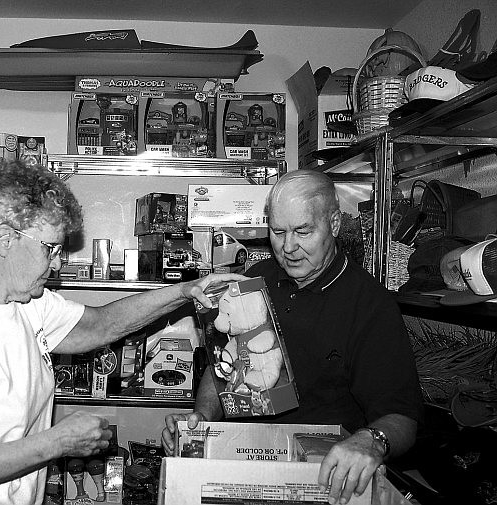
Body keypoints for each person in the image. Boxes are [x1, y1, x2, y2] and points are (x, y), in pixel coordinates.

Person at [0, 160, 244, 505]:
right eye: (50, 249)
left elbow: (101, 324)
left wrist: (186, 290)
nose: (58, 263)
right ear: (5, 239)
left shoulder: (26, 301)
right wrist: (57, 441)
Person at [162, 170, 424, 505]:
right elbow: (221, 370)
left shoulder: (371, 306)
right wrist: (202, 421)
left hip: (322, 482)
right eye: (277, 231)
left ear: (334, 224)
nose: (288, 247)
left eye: (303, 231)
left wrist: (371, 441)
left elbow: (402, 418)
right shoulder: (254, 281)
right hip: (246, 470)